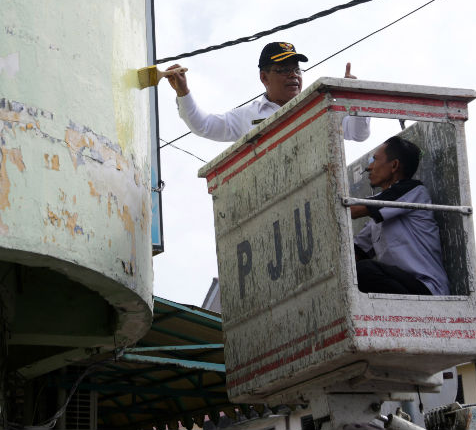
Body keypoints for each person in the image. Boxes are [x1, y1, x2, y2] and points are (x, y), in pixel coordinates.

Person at [166, 41, 370, 142]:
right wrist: (183, 91)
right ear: (264, 77)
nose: (294, 76)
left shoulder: (319, 108)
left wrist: (356, 98)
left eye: (296, 69)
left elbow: (359, 134)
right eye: (284, 70)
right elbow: (204, 126)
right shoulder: (247, 116)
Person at [350, 136, 449, 296]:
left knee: (364, 271)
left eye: (374, 160)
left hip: (426, 288)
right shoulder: (378, 216)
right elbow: (356, 250)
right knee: (349, 274)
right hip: (400, 286)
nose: (369, 167)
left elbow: (353, 209)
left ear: (394, 165)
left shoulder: (413, 191)